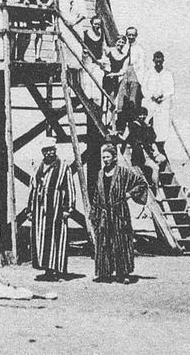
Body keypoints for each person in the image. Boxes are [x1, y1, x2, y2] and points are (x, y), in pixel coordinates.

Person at [90, 144, 149, 283]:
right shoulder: (100, 173)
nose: (105, 160)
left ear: (114, 158)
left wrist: (129, 193)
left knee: (121, 242)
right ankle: (104, 273)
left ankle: (123, 273)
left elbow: (141, 183)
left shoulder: (123, 172)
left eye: (108, 157)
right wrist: (94, 213)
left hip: (119, 212)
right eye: (103, 157)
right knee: (103, 242)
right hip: (104, 213)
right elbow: (96, 195)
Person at [28, 145, 77, 281]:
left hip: (56, 209)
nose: (49, 153)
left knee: (56, 239)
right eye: (46, 150)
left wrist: (68, 208)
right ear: (42, 152)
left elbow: (70, 187)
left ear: (55, 150)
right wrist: (30, 210)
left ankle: (57, 270)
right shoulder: (38, 166)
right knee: (41, 239)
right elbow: (32, 187)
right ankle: (47, 270)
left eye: (51, 150)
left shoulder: (63, 167)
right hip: (39, 210)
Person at [144, 51, 175, 162]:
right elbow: (144, 88)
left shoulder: (168, 73)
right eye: (156, 59)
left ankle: (160, 149)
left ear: (163, 60)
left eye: (160, 59)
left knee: (163, 127)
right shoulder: (149, 73)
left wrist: (163, 96)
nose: (158, 61)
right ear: (153, 60)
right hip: (152, 103)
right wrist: (152, 96)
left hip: (163, 104)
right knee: (151, 124)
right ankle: (153, 148)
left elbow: (171, 89)